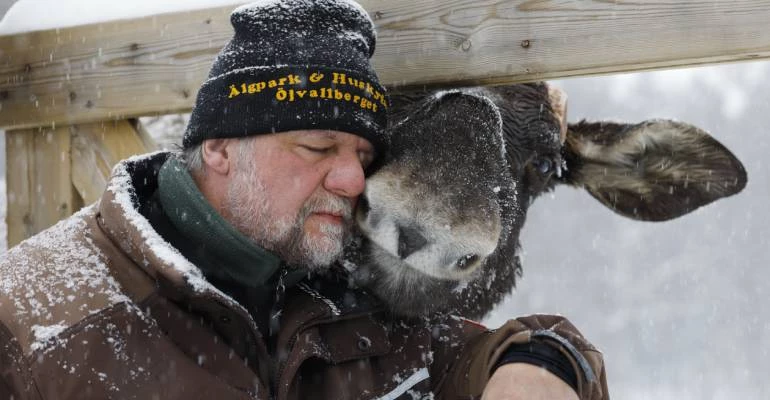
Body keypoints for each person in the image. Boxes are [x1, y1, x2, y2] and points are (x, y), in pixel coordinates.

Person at [0, 1, 608, 399]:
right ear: (218, 147)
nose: (352, 182)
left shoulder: (333, 296)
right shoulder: (32, 321)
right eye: (318, 147)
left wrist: (543, 362)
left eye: (365, 155)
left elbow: (472, 356)